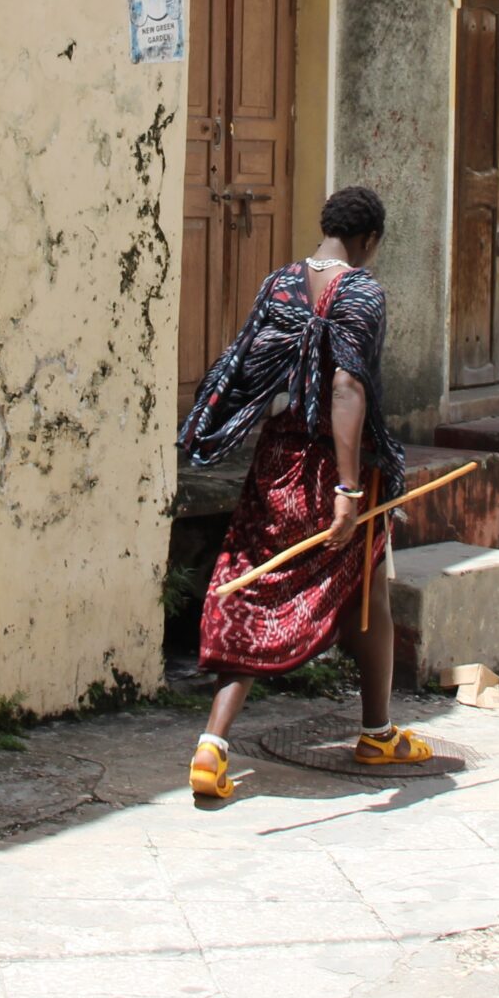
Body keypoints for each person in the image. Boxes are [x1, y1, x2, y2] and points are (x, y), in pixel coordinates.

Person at [175, 184, 430, 799]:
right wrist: (346, 487)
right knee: (370, 587)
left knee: (260, 586)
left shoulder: (281, 284)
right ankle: (376, 733)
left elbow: (250, 365)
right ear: (368, 241)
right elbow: (347, 386)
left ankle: (213, 745)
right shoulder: (363, 292)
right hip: (334, 468)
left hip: (276, 460)